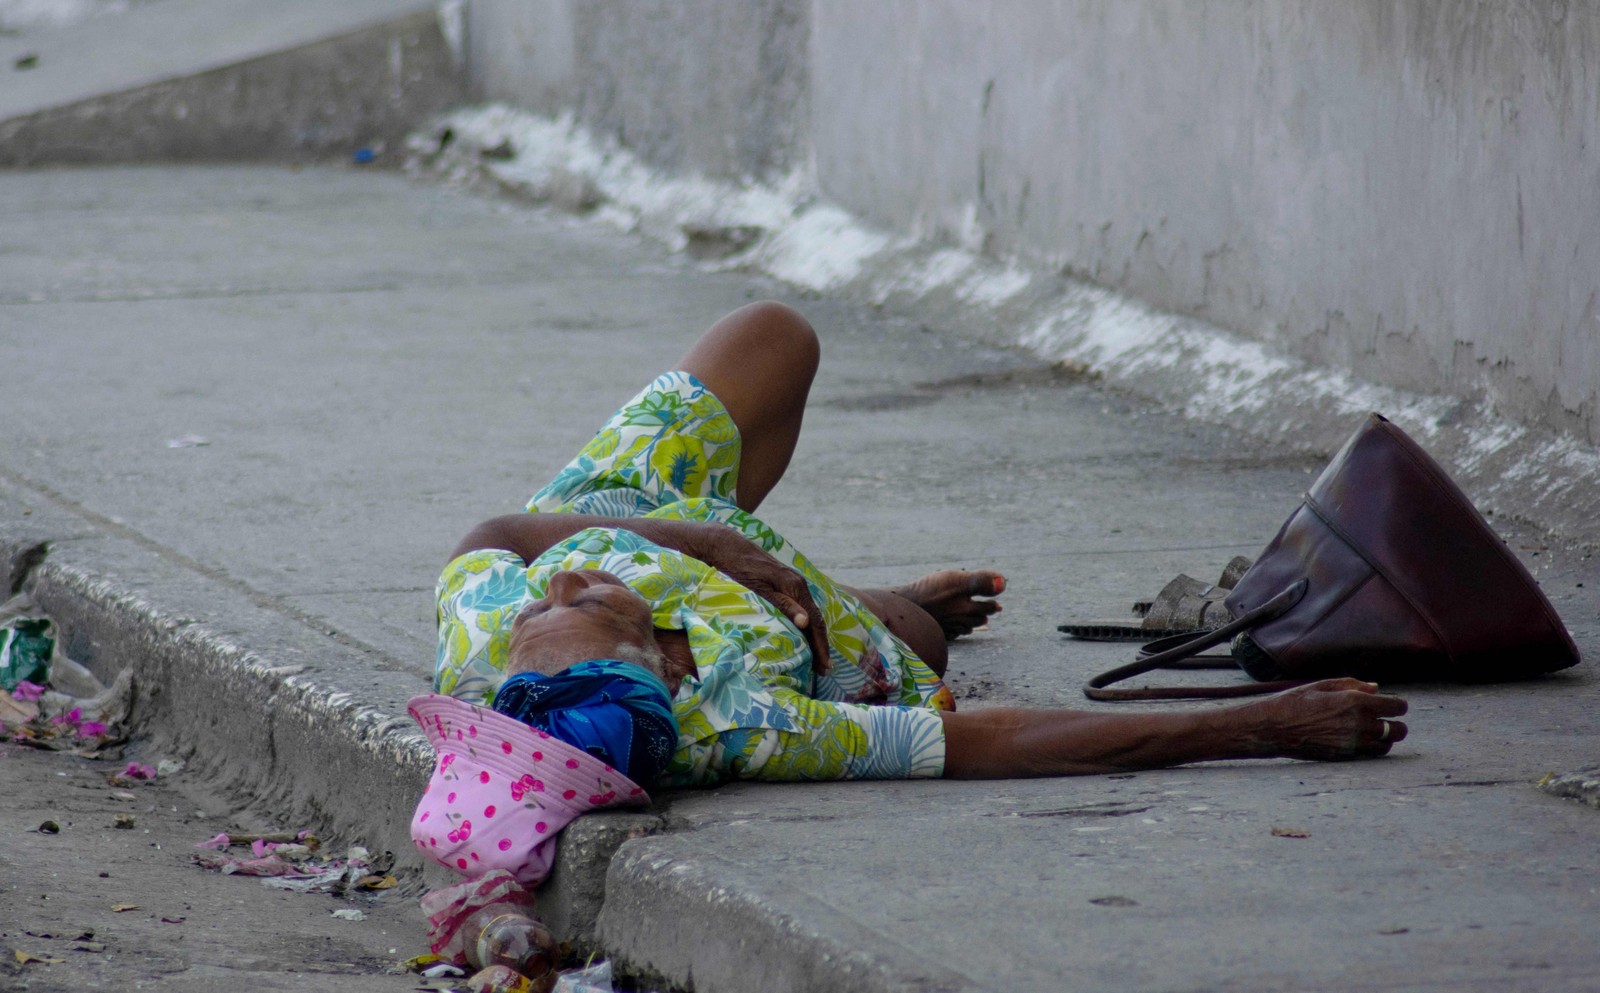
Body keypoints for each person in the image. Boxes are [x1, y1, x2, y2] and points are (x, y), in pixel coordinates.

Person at [409, 302, 1407, 884]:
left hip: (637, 508)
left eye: (539, 609)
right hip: (803, 626)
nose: (568, 579)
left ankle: (775, 557)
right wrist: (1264, 723)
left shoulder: (490, 649)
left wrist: (697, 536)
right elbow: (986, 742)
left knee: (770, 335)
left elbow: (495, 535)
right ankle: (875, 599)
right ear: (661, 664)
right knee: (921, 638)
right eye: (577, 605)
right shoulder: (752, 723)